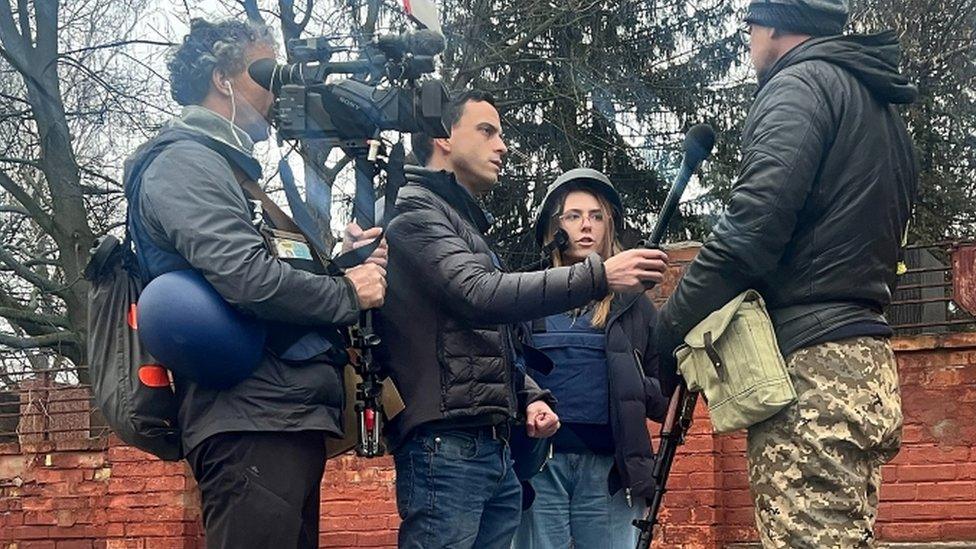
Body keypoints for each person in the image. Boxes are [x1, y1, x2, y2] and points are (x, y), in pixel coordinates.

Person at [654, 1, 919, 547]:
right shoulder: (879, 108)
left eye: (750, 24)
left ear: (774, 24)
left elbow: (751, 230)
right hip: (862, 364)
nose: (749, 38)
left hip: (812, 373)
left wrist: (667, 330)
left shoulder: (799, 86)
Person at [124, 18, 386, 548]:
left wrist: (342, 263)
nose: (275, 93)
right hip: (251, 418)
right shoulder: (184, 163)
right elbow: (249, 280)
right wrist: (346, 292)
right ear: (223, 78)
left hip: (277, 415)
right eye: (265, 73)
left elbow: (256, 274)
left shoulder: (219, 168)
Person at [375, 90, 670, 548]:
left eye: (596, 216)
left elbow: (498, 344)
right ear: (443, 137)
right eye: (487, 131)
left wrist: (529, 395)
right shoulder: (415, 214)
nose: (502, 146)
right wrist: (600, 275)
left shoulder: (465, 227)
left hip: (497, 448)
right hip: (449, 445)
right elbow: (480, 295)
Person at [511, 169, 670, 549]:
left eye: (597, 216)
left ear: (609, 226)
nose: (586, 226)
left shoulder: (633, 305)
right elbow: (502, 371)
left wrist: (629, 379)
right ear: (555, 227)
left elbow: (664, 397)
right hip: (538, 468)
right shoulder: (526, 297)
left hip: (610, 473)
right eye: (574, 215)